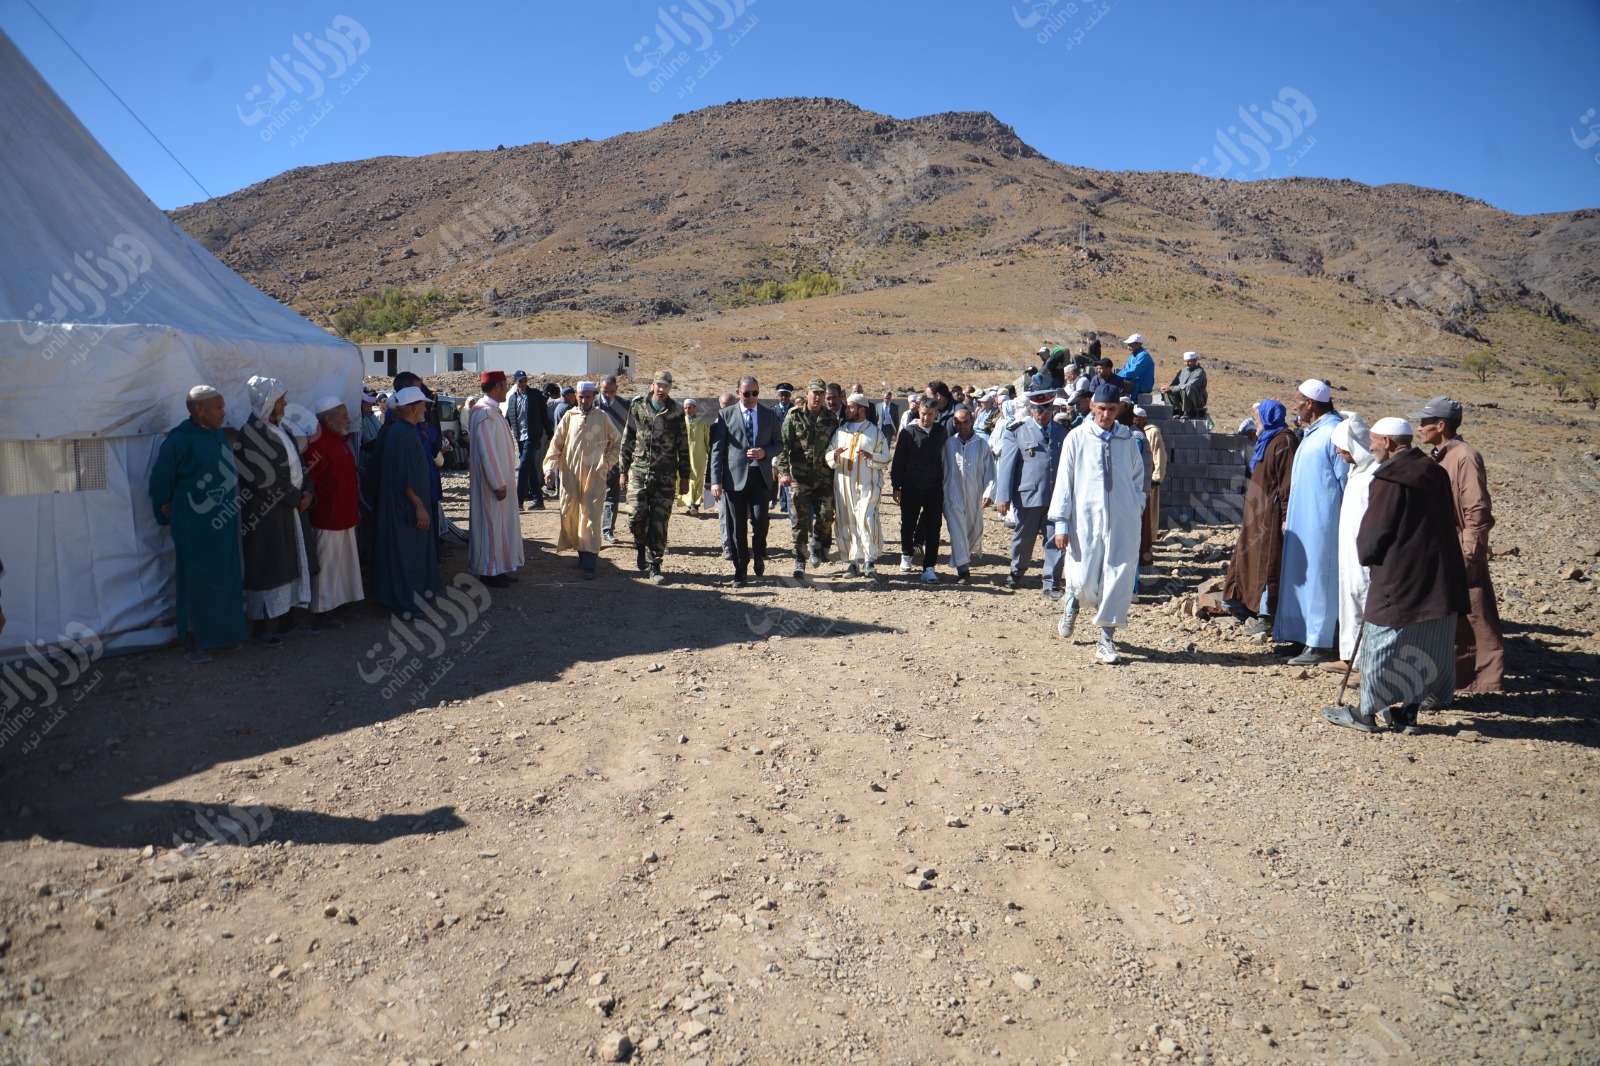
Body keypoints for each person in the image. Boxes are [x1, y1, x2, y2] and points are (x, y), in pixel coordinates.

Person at [1324, 418, 1468, 733]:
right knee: (1423, 644)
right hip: (1439, 576)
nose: (1370, 446)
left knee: (1381, 643)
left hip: (1399, 576)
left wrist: (1367, 556)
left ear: (1388, 442)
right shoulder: (1434, 471)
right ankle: (1408, 713)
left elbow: (1375, 532)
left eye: (1374, 440)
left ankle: (1364, 713)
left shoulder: (1390, 479)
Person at [1051, 382, 1149, 664]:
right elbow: (1064, 482)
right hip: (1085, 521)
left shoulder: (1128, 440)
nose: (1106, 414)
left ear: (1119, 409)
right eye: (1101, 408)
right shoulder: (1077, 438)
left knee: (1118, 579)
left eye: (1111, 409)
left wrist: (1136, 506)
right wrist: (1061, 523)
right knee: (1083, 577)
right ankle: (1072, 602)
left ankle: (1106, 639)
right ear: (1092, 407)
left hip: (1123, 522)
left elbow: (1137, 478)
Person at [1414, 396, 1505, 694]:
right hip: (1444, 548)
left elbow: (1477, 509)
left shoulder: (1465, 456)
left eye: (1425, 422)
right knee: (1451, 616)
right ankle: (1452, 680)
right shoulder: (1441, 455)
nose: (1420, 427)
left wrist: (1469, 553)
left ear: (1441, 425)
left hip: (1461, 549)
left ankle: (1481, 682)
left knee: (1474, 613)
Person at [149, 386, 246, 662]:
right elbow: (160, 482)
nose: (224, 413)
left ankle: (224, 635)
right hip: (194, 525)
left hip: (222, 523)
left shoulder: (217, 435)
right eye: (219, 408)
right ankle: (194, 640)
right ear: (199, 410)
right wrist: (165, 510)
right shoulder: (178, 441)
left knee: (225, 578)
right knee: (197, 581)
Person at [234, 376, 312, 649]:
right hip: (266, 513)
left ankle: (287, 621)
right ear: (267, 401)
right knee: (268, 565)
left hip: (290, 509)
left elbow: (299, 464)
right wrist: (295, 498)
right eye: (280, 399)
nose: (285, 404)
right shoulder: (250, 435)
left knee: (290, 564)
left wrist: (308, 492)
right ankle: (260, 628)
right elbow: (261, 479)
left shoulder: (281, 429)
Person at [1274, 379, 1348, 664]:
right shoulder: (1312, 432)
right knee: (1303, 578)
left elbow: (1345, 481)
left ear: (1310, 403)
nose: (1294, 406)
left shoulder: (1334, 433)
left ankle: (1320, 642)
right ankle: (1302, 636)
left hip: (1323, 523)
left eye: (1297, 401)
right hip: (1303, 521)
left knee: (1320, 580)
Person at [1222, 399, 1299, 633]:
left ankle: (1266, 613)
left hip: (1270, 515)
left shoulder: (1284, 441)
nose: (1254, 421)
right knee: (1247, 555)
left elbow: (1287, 484)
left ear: (1267, 416)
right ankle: (1242, 603)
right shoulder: (1267, 439)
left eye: (1257, 417)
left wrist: (1285, 515)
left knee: (1267, 562)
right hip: (1256, 512)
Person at [369, 386, 440, 615]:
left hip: (401, 505)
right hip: (407, 508)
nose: (425, 409)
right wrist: (419, 506)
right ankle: (409, 602)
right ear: (414, 408)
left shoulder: (399, 431)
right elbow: (404, 476)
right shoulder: (406, 435)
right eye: (423, 405)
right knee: (409, 554)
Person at [994, 390, 1069, 597]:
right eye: (1037, 409)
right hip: (1028, 496)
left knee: (1055, 539)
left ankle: (1051, 583)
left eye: (1045, 410)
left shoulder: (1063, 432)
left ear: (1052, 409)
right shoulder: (1017, 431)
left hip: (1056, 498)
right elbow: (1007, 466)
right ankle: (1016, 572)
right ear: (1031, 409)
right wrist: (1003, 496)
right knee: (1023, 539)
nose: (1041, 414)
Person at [544, 381, 621, 579]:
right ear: (576, 397)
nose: (584, 401)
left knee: (591, 515)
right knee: (573, 515)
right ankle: (581, 555)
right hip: (570, 476)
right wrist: (550, 468)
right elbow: (556, 445)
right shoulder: (569, 417)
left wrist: (606, 463)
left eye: (588, 397)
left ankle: (590, 563)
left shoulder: (602, 417)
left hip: (594, 476)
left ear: (593, 397)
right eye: (581, 397)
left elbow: (616, 442)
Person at [710, 376, 782, 587]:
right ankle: (740, 570)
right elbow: (717, 451)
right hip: (734, 479)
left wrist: (764, 452)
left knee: (760, 520)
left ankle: (759, 553)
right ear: (738, 393)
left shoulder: (769, 415)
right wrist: (715, 481)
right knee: (737, 526)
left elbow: (779, 444)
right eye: (747, 393)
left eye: (755, 393)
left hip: (760, 477)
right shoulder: (726, 415)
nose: (751, 397)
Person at [620, 370, 691, 584]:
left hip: (666, 475)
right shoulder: (637, 406)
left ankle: (655, 564)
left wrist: (685, 476)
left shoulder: (676, 411)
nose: (661, 389)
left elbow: (683, 445)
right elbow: (628, 438)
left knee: (659, 522)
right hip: (639, 472)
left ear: (670, 387)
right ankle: (640, 544)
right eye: (658, 385)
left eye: (666, 386)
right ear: (652, 385)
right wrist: (623, 470)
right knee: (634, 516)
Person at [303, 396, 364, 627]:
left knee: (343, 562)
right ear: (329, 420)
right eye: (344, 416)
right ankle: (322, 609)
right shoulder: (318, 445)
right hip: (328, 516)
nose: (348, 420)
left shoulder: (339, 441)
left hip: (344, 513)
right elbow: (309, 481)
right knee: (327, 565)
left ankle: (338, 601)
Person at [775, 378, 839, 578]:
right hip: (800, 478)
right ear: (807, 394)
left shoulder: (831, 418)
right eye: (815, 393)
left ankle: (817, 543)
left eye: (821, 393)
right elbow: (783, 446)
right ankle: (799, 559)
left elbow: (835, 446)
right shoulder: (794, 416)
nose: (818, 397)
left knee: (827, 516)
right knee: (799, 521)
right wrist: (784, 472)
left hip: (824, 477)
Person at [467, 371, 524, 588]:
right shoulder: (484, 413)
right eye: (505, 386)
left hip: (499, 480)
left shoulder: (490, 412)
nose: (507, 390)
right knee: (490, 526)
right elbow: (487, 450)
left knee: (499, 526)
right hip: (491, 484)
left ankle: (499, 567)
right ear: (498, 386)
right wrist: (497, 482)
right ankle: (489, 570)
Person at [828, 393, 892, 577]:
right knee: (847, 521)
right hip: (844, 485)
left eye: (851, 407)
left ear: (861, 410)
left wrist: (872, 457)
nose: (847, 410)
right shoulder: (841, 431)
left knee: (866, 519)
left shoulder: (875, 432)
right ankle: (853, 562)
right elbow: (828, 453)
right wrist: (834, 455)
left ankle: (869, 560)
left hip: (868, 486)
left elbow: (886, 457)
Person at [1331, 413, 1377, 668]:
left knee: (1363, 596)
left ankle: (1363, 661)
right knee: (1349, 595)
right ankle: (1348, 655)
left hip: (1364, 550)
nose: (1338, 451)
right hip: (1348, 549)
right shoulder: (1356, 470)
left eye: (1342, 446)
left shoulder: (1373, 472)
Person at [891, 399, 948, 582]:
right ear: (919, 412)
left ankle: (929, 567)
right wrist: (896, 486)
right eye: (923, 414)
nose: (926, 418)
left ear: (936, 414)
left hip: (934, 487)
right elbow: (898, 460)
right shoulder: (908, 433)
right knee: (908, 524)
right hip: (911, 487)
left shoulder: (941, 432)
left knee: (934, 527)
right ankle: (906, 554)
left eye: (930, 414)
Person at [943, 406, 996, 584]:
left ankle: (965, 559)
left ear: (972, 421)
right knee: (956, 531)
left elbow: (990, 471)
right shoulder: (949, 444)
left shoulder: (981, 444)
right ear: (953, 423)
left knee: (971, 531)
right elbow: (943, 468)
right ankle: (963, 570)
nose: (962, 426)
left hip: (975, 496)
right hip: (952, 495)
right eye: (958, 422)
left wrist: (988, 492)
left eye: (965, 422)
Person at [507, 370, 550, 511]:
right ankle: (538, 500)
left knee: (523, 465)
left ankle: (518, 502)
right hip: (519, 437)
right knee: (530, 467)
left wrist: (550, 435)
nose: (524, 383)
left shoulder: (535, 395)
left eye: (525, 380)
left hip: (532, 436)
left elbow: (544, 416)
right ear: (515, 382)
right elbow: (508, 418)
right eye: (521, 381)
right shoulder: (512, 398)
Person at [596, 374, 630, 544]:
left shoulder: (625, 405)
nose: (608, 395)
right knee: (593, 495)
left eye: (612, 391)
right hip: (593, 457)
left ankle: (608, 529)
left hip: (615, 456)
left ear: (617, 388)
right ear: (599, 389)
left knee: (612, 494)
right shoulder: (592, 404)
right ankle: (591, 531)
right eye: (605, 391)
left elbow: (629, 432)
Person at [1132, 406, 1166, 566]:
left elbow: (1159, 454)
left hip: (1149, 481)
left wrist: (1156, 477)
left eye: (1136, 418)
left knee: (1149, 516)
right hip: (1137, 482)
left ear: (1142, 419)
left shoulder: (1152, 432)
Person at [713, 392, 738, 560]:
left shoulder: (743, 423)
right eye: (724, 406)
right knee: (724, 513)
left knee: (741, 514)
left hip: (741, 476)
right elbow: (713, 456)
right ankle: (727, 546)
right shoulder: (715, 426)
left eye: (730, 405)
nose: (727, 409)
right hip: (723, 477)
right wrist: (712, 481)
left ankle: (738, 544)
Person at [680, 397, 711, 514]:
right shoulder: (680, 423)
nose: (688, 410)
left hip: (698, 456)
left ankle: (695, 504)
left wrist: (710, 453)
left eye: (690, 407)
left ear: (695, 408)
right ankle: (689, 503)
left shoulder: (702, 423)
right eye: (686, 408)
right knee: (685, 478)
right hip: (683, 456)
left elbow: (707, 439)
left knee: (697, 478)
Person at [1162, 352, 1209, 419]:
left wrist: (1172, 388)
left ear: (1195, 361)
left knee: (1186, 388)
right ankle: (1177, 411)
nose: (1187, 364)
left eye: (1189, 361)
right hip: (1182, 396)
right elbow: (1174, 384)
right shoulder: (1182, 371)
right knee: (1168, 391)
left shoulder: (1199, 372)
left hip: (1197, 398)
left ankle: (1188, 411)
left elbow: (1190, 385)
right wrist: (1166, 388)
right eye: (1185, 361)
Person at [773, 382, 796, 515]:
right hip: (776, 445)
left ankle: (786, 502)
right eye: (781, 395)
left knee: (787, 474)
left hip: (790, 446)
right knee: (776, 474)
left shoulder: (795, 410)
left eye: (786, 395)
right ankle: (778, 501)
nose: (784, 398)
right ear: (778, 395)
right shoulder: (772, 411)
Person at [1118, 334, 1155, 398]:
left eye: (1130, 345)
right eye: (1128, 345)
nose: (1128, 347)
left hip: (1143, 385)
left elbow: (1133, 372)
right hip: (1134, 383)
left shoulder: (1144, 356)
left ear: (1138, 345)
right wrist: (1115, 376)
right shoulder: (1131, 357)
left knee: (1116, 383)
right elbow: (1125, 370)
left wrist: (1115, 377)